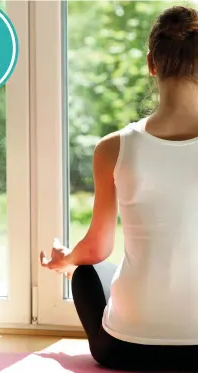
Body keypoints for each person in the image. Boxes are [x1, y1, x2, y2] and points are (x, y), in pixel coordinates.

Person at [40, 5, 198, 371]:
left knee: (86, 272)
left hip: (128, 348)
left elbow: (97, 248)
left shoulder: (113, 147)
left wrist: (65, 260)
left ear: (151, 64)